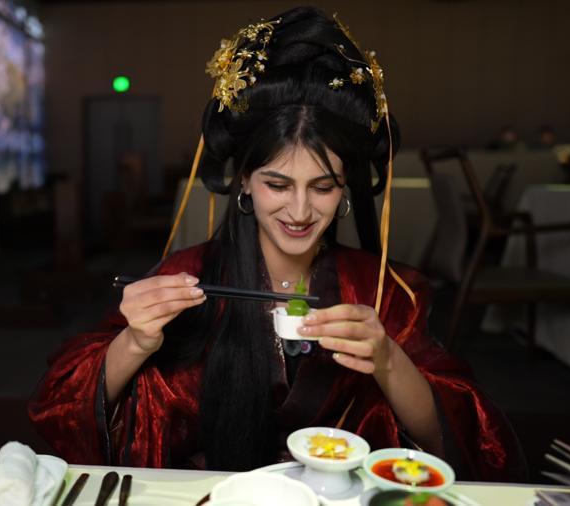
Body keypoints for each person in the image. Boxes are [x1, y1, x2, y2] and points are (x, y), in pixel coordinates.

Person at [29, 7, 526, 480]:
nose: (301, 211)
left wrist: (388, 360)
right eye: (278, 184)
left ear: (345, 188)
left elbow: (470, 444)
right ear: (245, 181)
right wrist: (135, 342)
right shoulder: (189, 280)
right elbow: (60, 408)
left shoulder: (382, 291)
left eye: (323, 187)